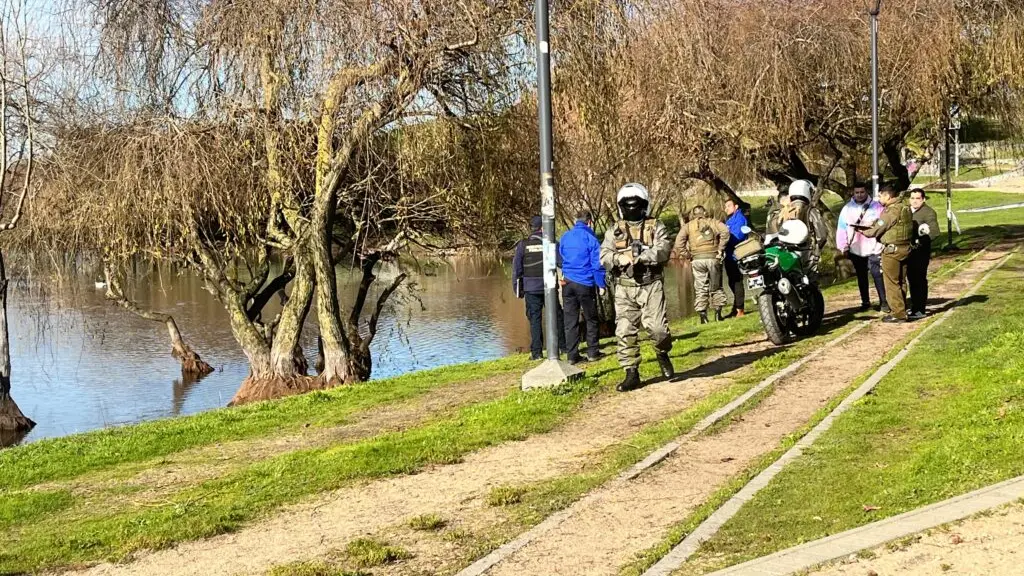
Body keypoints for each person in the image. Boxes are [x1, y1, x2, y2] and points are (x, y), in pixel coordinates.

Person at [600, 183, 675, 392]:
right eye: (627, 205)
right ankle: (631, 371)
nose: (632, 209)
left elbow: (664, 249)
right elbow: (604, 255)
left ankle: (662, 352)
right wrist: (619, 258)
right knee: (624, 331)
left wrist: (642, 257)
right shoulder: (614, 231)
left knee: (658, 329)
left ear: (644, 205)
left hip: (651, 285)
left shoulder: (656, 226)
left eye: (637, 205)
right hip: (624, 288)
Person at [512, 215, 566, 359]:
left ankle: (536, 352)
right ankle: (563, 347)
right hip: (549, 286)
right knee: (556, 316)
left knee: (535, 319)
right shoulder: (551, 242)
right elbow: (562, 262)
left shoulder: (523, 245)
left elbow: (517, 269)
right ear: (543, 227)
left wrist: (517, 290)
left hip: (531, 288)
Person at [559, 210, 607, 364]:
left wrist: (565, 271)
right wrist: (601, 284)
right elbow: (597, 263)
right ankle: (593, 352)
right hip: (585, 282)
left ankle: (572, 355)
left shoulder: (565, 237)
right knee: (591, 318)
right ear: (590, 222)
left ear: (575, 221)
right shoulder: (590, 238)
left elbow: (560, 256)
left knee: (570, 320)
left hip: (567, 283)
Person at [862, 185, 914, 323]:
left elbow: (878, 228)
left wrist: (863, 231)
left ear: (888, 196)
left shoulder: (891, 211)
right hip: (905, 248)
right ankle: (902, 308)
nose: (879, 198)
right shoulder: (904, 207)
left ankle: (898, 313)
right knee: (901, 281)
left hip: (892, 251)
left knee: (891, 282)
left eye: (881, 196)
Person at [836, 183, 888, 312]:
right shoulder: (847, 209)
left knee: (877, 274)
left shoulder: (877, 207)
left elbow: (884, 223)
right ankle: (865, 301)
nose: (859, 195)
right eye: (857, 192)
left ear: (866, 192)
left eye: (862, 192)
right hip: (855, 248)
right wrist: (843, 246)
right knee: (861, 276)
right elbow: (841, 229)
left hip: (874, 247)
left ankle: (884, 301)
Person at [674, 205, 730, 324]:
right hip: (713, 258)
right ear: (705, 212)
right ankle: (718, 314)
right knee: (716, 286)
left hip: (697, 260)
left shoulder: (688, 226)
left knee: (700, 288)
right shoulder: (713, 222)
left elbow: (679, 243)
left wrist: (687, 254)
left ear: (693, 214)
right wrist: (721, 248)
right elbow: (725, 231)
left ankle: (703, 316)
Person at [908, 188, 940, 320]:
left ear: (923, 199)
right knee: (911, 280)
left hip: (920, 252)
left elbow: (934, 232)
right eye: (912, 198)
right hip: (908, 251)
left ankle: (920, 309)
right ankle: (914, 306)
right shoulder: (906, 211)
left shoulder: (928, 213)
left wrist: (920, 241)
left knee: (919, 280)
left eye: (917, 198)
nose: (914, 201)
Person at [723, 198, 750, 317]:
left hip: (737, 255)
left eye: (729, 206)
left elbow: (737, 236)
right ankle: (735, 308)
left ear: (736, 206)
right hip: (728, 256)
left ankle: (740, 309)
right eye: (725, 207)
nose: (726, 208)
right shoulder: (729, 220)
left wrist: (724, 241)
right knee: (731, 282)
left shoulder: (739, 219)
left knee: (737, 282)